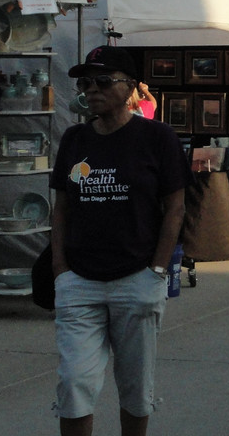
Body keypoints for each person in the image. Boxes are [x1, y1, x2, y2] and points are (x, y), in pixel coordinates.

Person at [50, 46, 191, 436]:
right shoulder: (75, 139)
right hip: (79, 281)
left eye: (102, 81)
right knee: (74, 382)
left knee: (135, 386)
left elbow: (176, 207)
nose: (91, 89)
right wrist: (60, 270)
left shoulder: (157, 137)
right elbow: (61, 208)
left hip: (136, 279)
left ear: (130, 87)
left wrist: (157, 270)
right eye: (85, 82)